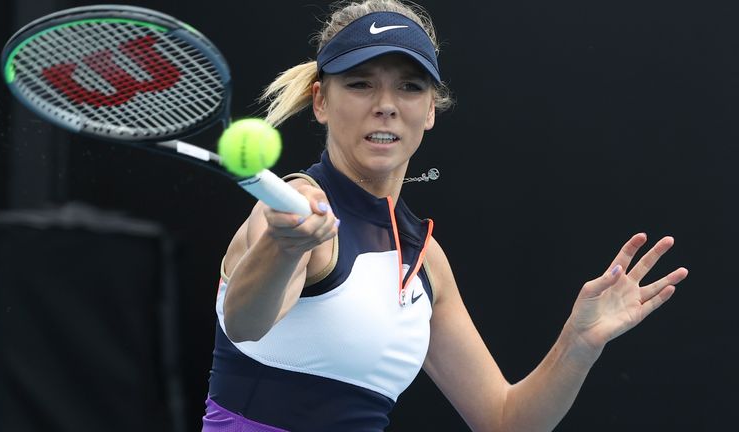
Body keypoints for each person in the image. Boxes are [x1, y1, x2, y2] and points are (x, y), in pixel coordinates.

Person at [202, 1, 689, 431]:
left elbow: (505, 421)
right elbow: (244, 324)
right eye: (359, 84)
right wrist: (284, 247)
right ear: (321, 101)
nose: (386, 106)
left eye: (409, 88)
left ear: (431, 110)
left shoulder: (425, 258)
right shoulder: (292, 209)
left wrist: (578, 344)